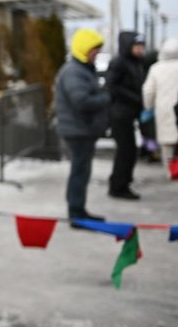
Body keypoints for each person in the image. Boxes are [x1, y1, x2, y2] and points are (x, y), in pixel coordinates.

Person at [54, 28, 110, 224]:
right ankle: (76, 213)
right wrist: (105, 97)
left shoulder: (83, 70)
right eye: (94, 50)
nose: (97, 55)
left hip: (83, 129)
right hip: (78, 131)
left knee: (81, 171)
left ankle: (78, 210)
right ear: (83, 49)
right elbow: (81, 101)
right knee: (79, 172)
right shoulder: (74, 72)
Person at [105, 32, 146, 199]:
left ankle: (122, 181)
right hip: (120, 114)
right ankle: (118, 186)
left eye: (141, 46)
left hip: (130, 113)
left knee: (129, 151)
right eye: (136, 46)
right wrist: (135, 98)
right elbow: (112, 86)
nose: (140, 50)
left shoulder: (136, 63)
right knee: (126, 150)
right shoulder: (119, 63)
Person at [142, 37, 178, 176]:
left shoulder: (156, 68)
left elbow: (148, 91)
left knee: (167, 144)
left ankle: (171, 172)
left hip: (164, 110)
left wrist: (148, 106)